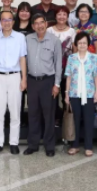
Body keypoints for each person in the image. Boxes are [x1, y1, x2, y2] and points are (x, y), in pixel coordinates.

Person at [25, 13, 62, 157]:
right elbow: (23, 60)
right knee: (33, 114)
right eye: (36, 23)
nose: (39, 25)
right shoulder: (27, 39)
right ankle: (33, 144)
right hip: (32, 81)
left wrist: (57, 85)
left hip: (48, 81)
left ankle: (49, 145)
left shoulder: (54, 41)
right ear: (33, 26)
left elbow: (58, 64)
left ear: (46, 24)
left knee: (49, 115)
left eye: (42, 22)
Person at [0, 10, 27, 155]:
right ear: (0, 22)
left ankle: (14, 142)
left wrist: (24, 78)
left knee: (15, 111)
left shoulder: (20, 37)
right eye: (4, 20)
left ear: (13, 21)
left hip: (15, 76)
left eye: (9, 20)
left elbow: (22, 58)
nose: (6, 22)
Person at [65, 32, 97, 156]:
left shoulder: (93, 58)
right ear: (76, 44)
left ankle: (88, 146)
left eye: (84, 42)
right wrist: (66, 93)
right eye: (79, 43)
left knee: (88, 119)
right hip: (74, 93)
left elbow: (96, 76)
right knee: (75, 120)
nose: (82, 45)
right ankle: (75, 145)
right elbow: (68, 77)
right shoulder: (71, 58)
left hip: (89, 93)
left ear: (88, 44)